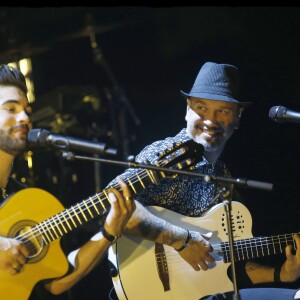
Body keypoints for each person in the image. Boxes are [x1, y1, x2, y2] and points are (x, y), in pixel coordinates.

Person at [107, 61, 300, 299]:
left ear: (238, 117)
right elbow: (113, 202)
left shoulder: (223, 177)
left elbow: (224, 267)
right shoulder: (167, 155)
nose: (210, 120)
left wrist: (282, 273)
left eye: (223, 111)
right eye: (201, 108)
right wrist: (180, 239)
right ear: (187, 110)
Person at [0, 63, 136, 299]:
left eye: (27, 111)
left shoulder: (23, 200)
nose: (24, 117)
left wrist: (108, 233)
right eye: (11, 109)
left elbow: (55, 284)